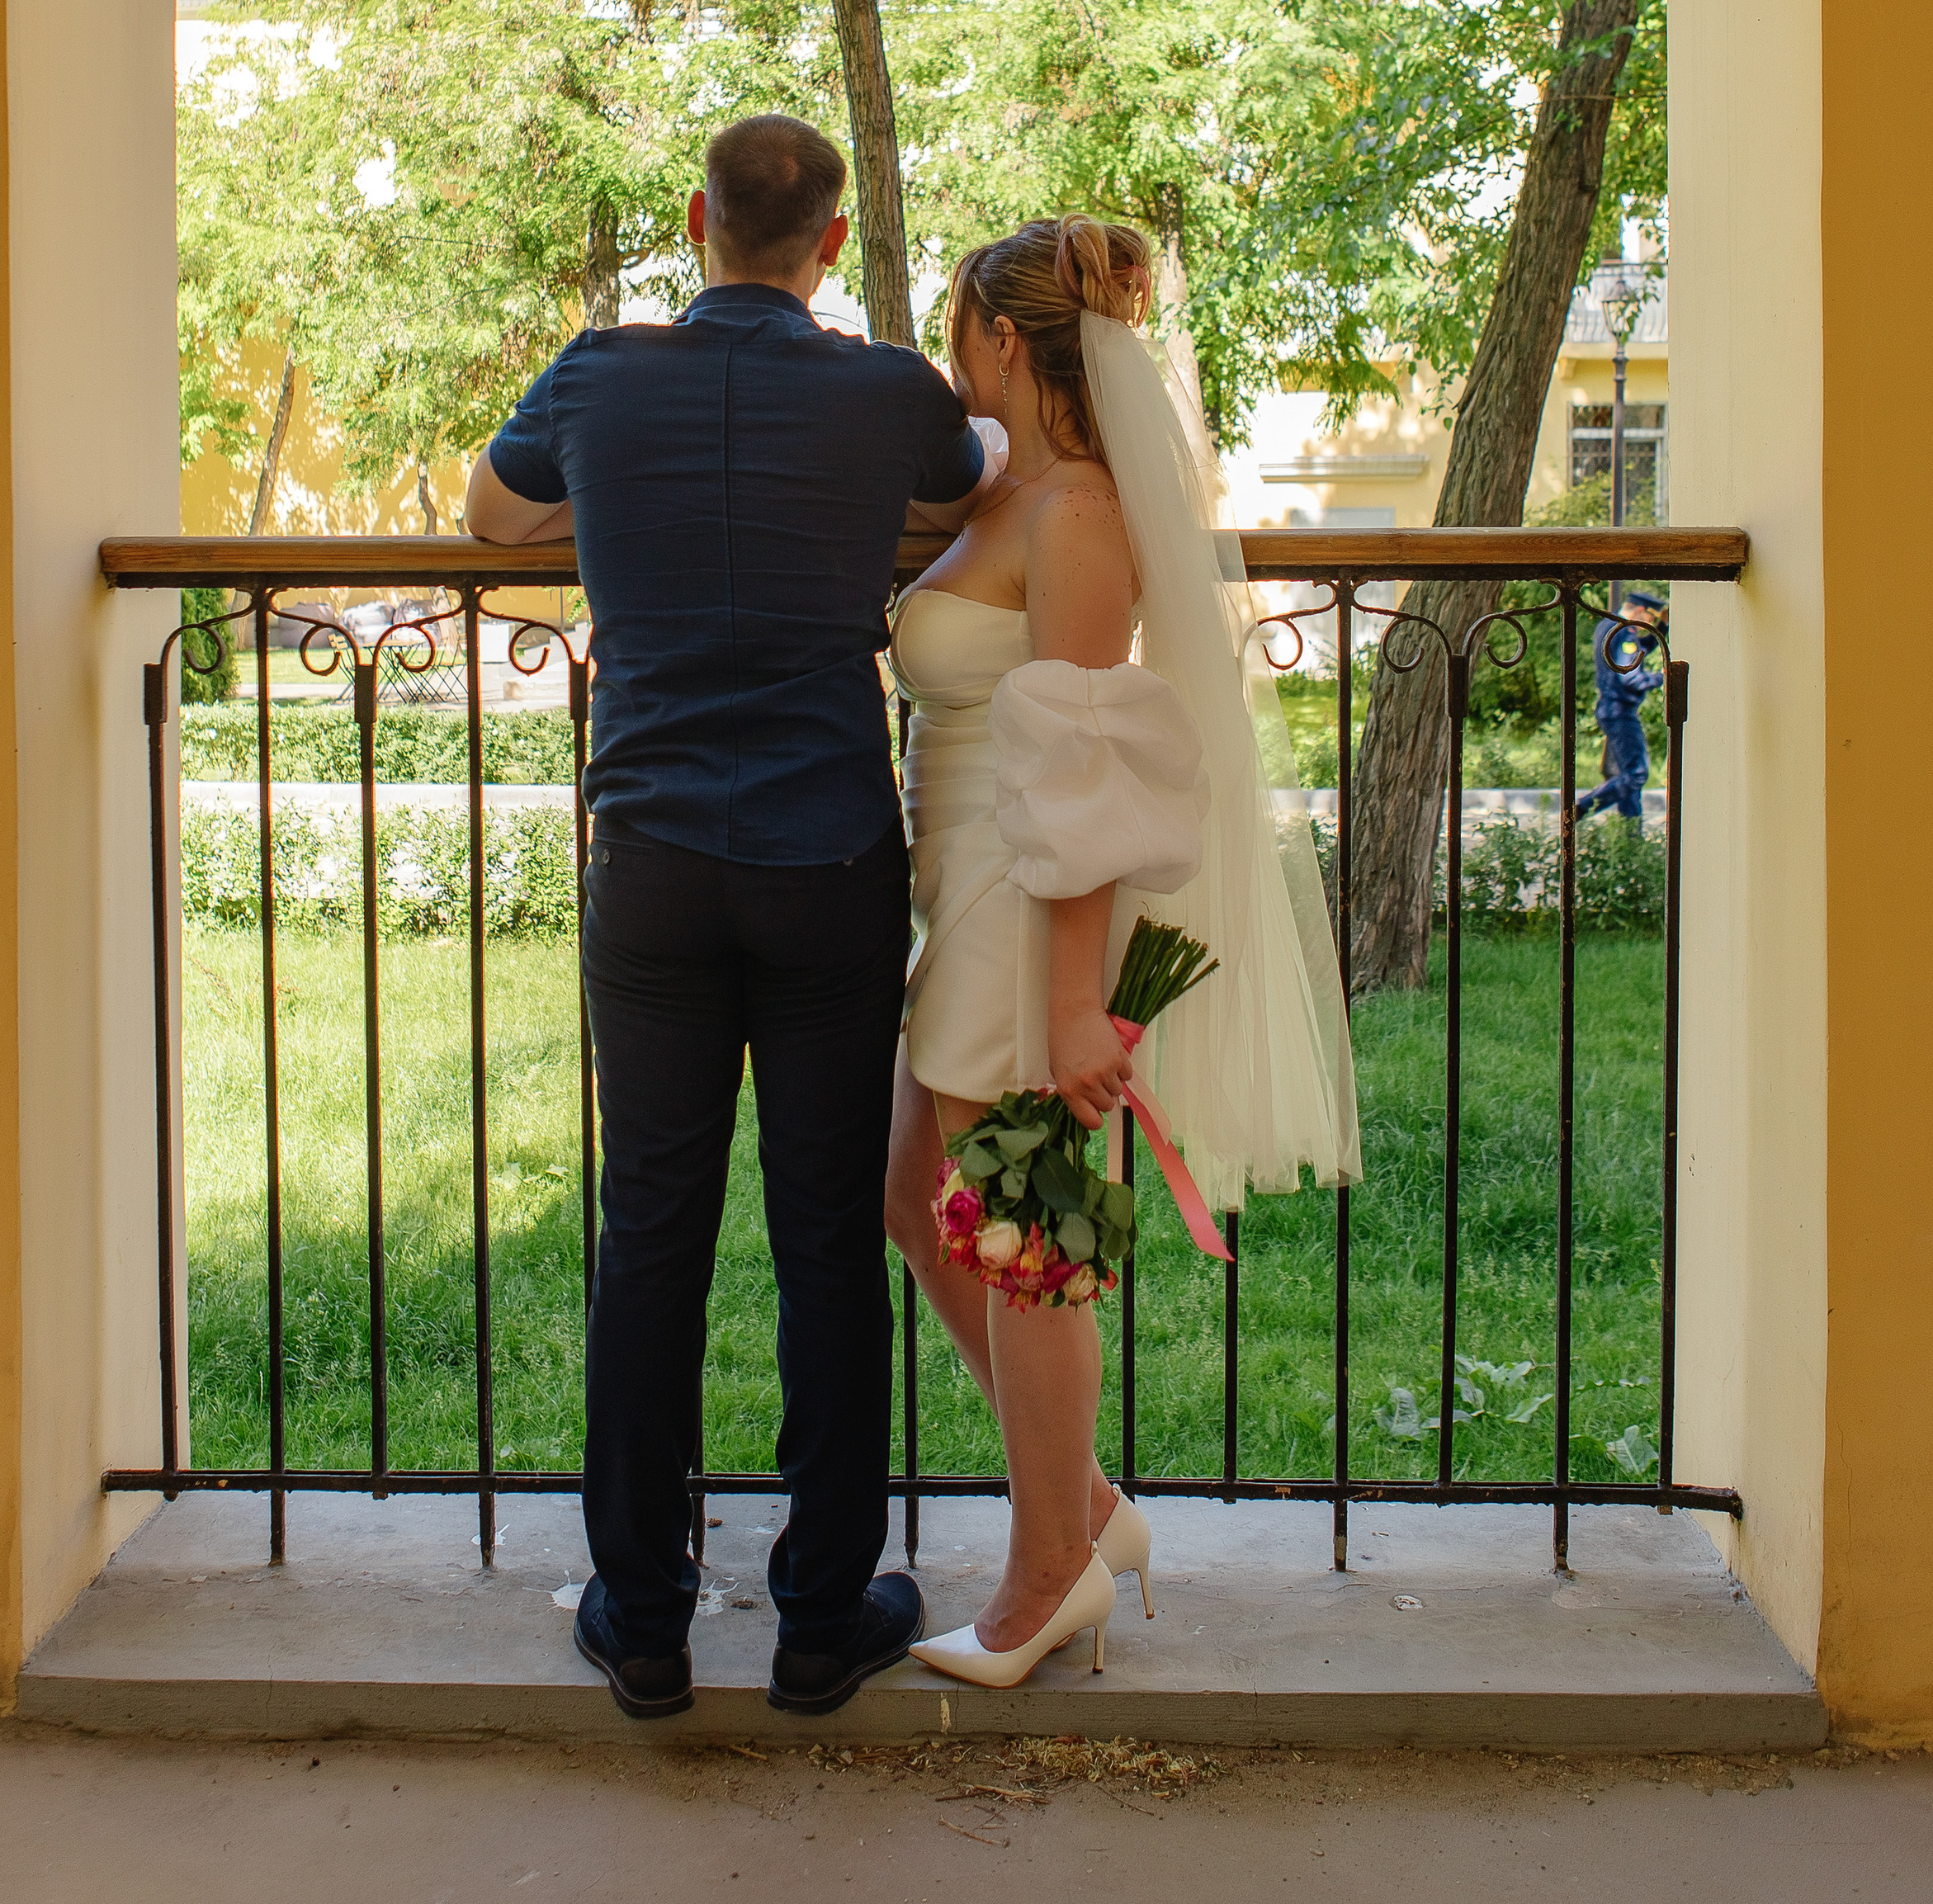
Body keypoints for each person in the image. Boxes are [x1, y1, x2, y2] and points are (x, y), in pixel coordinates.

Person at [465, 115, 1000, 1722]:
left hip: (651, 859)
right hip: (828, 854)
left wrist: (622, 526)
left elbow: (494, 527)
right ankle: (820, 1616)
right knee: (826, 1234)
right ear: (830, 244)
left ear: (697, 222)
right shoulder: (888, 392)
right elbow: (965, 501)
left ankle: (639, 1617)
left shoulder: (594, 379)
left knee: (653, 1229)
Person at [882, 217, 1360, 1691]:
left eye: (956, 328)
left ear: (1004, 343)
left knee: (1023, 1240)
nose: (942, 353)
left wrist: (1076, 1000)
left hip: (1025, 906)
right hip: (962, 883)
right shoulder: (1004, 490)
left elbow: (1085, 766)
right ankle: (1082, 1507)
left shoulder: (1079, 514)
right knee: (910, 1197)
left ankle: (1046, 1579)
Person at [1575, 594, 1668, 825]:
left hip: (1610, 709)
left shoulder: (1608, 625)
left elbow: (1640, 649)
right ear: (1640, 610)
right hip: (1620, 711)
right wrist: (1661, 678)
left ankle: (1631, 838)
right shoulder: (1625, 632)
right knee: (1636, 774)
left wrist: (1663, 627)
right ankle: (1580, 808)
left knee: (1628, 777)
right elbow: (1630, 677)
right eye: (1650, 617)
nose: (1648, 623)